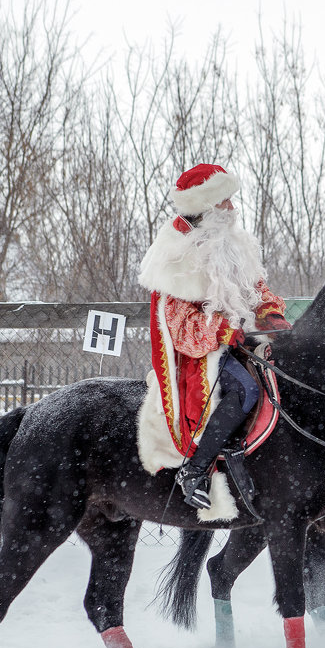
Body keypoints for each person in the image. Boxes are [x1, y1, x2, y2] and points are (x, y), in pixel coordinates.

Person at [136, 164, 291, 510]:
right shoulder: (176, 255)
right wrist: (223, 330)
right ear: (207, 206)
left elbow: (258, 292)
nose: (233, 209)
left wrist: (273, 315)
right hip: (201, 353)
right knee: (245, 389)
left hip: (243, 340)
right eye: (226, 202)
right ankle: (195, 470)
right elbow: (180, 328)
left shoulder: (232, 246)